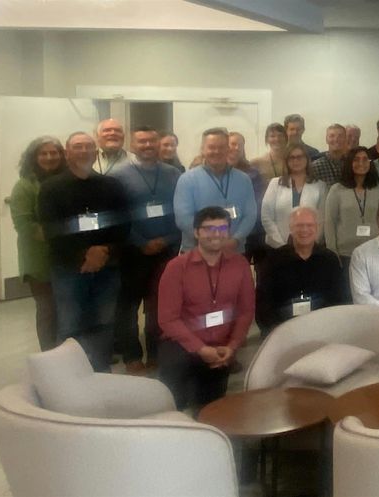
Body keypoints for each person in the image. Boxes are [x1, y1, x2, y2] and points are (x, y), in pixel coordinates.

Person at [38, 132, 130, 372]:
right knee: (70, 324)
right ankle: (69, 374)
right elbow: (51, 229)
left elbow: (123, 224)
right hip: (68, 267)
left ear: (95, 152)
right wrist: (85, 255)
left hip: (107, 266)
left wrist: (104, 250)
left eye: (88, 146)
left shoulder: (112, 185)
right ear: (67, 153)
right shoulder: (50, 188)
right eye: (77, 147)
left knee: (104, 322)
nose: (83, 151)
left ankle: (100, 371)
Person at [157, 207, 255, 409]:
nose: (216, 234)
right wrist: (200, 349)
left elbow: (246, 312)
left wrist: (232, 346)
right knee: (174, 406)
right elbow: (168, 319)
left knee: (212, 410)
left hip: (221, 346)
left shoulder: (240, 265)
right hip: (182, 345)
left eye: (222, 228)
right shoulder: (176, 267)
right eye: (209, 228)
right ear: (196, 232)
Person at [111, 126, 182, 374]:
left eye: (152, 141)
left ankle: (156, 352)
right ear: (132, 145)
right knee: (128, 306)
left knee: (159, 304)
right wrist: (141, 242)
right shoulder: (118, 176)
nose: (148, 146)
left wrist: (167, 239)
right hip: (132, 250)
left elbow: (181, 210)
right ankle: (131, 355)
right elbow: (117, 215)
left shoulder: (174, 174)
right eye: (142, 142)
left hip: (167, 248)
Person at [255, 206, 348, 333]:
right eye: (299, 225)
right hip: (283, 329)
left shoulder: (330, 260)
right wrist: (277, 331)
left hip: (322, 326)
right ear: (290, 228)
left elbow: (339, 299)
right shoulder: (273, 261)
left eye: (309, 225)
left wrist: (327, 327)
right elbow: (263, 303)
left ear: (317, 228)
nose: (304, 230)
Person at [11, 136, 65, 351]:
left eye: (54, 152)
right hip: (39, 260)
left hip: (66, 257)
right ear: (33, 157)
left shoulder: (65, 180)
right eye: (43, 153)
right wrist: (64, 234)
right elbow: (24, 225)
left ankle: (70, 355)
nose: (50, 157)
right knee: (48, 309)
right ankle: (49, 356)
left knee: (66, 309)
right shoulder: (24, 186)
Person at [173, 127, 258, 254]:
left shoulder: (244, 179)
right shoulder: (187, 180)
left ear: (228, 149)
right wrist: (210, 242)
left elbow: (250, 215)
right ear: (202, 149)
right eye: (211, 147)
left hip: (233, 251)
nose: (217, 151)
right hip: (197, 252)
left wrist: (236, 239)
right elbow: (183, 218)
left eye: (221, 147)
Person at [324, 146, 379, 266]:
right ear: (349, 163)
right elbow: (329, 222)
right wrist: (332, 252)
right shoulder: (337, 190)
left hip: (373, 252)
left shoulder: (378, 190)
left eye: (365, 159)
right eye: (356, 159)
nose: (361, 163)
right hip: (345, 254)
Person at [262, 143, 328, 249]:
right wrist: (281, 245)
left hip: (309, 247)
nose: (296, 161)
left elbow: (321, 220)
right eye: (292, 158)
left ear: (307, 159)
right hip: (277, 246)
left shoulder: (320, 186)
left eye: (300, 157)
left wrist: (310, 243)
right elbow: (266, 217)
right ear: (286, 161)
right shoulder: (275, 183)